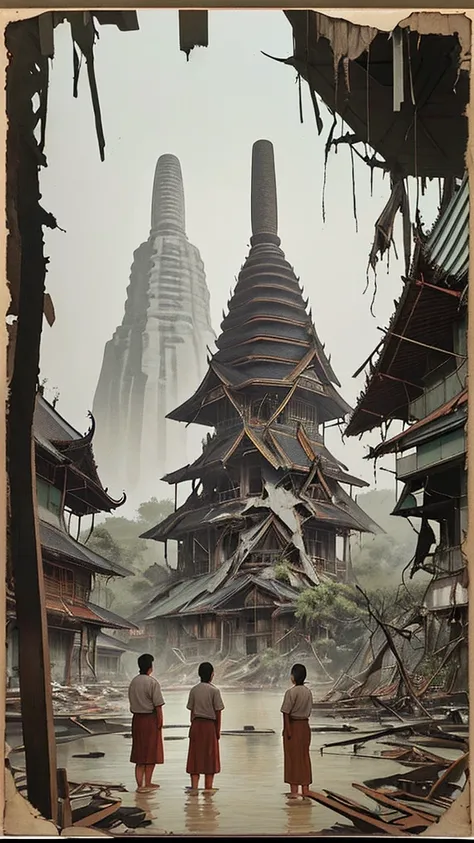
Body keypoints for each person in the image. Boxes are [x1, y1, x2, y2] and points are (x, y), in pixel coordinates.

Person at [128, 653, 165, 793]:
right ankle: (148, 783)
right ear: (150, 667)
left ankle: (139, 785)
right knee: (151, 754)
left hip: (137, 720)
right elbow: (158, 706)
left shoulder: (134, 682)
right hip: (150, 720)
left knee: (139, 754)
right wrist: (160, 722)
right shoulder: (152, 683)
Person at [186, 662, 225, 791]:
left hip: (196, 725)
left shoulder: (194, 690)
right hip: (209, 726)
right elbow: (218, 712)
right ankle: (208, 789)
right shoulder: (214, 690)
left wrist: (192, 727)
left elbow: (191, 711)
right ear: (212, 675)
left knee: (195, 757)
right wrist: (217, 731)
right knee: (210, 758)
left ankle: (194, 788)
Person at [280, 663, 313, 798]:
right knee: (304, 758)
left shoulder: (291, 692)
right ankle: (305, 790)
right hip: (305, 727)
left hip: (293, 726)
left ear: (293, 677)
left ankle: (294, 793)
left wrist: (287, 730)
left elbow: (285, 713)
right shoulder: (308, 692)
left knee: (292, 759)